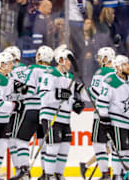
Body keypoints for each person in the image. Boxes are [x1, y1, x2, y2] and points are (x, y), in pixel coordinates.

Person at [96, 55, 129, 179]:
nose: (128, 66)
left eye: (128, 64)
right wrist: (104, 119)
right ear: (118, 67)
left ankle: (127, 174)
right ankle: (116, 175)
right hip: (116, 121)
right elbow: (102, 102)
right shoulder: (110, 80)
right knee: (119, 150)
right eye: (124, 64)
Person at [39, 48, 86, 179]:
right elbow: (43, 96)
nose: (70, 63)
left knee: (64, 149)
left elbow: (69, 98)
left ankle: (59, 175)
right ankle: (49, 175)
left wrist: (76, 104)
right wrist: (57, 94)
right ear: (60, 60)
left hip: (65, 117)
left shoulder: (70, 77)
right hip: (51, 116)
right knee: (53, 147)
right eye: (68, 60)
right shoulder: (50, 73)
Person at [11, 45, 54, 180]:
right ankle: (46, 173)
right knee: (44, 142)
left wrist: (19, 91)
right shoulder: (55, 72)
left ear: (39, 56)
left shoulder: (32, 69)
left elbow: (28, 90)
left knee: (21, 140)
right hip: (48, 111)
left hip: (32, 110)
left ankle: (23, 169)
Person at [79, 47, 116, 179]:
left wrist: (82, 92)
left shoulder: (101, 72)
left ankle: (105, 173)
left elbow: (93, 94)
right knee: (115, 145)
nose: (99, 61)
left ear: (106, 58)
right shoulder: (120, 72)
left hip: (101, 115)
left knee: (99, 144)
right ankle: (121, 172)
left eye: (100, 57)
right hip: (118, 116)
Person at [2, 46, 28, 176]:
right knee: (14, 139)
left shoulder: (14, 70)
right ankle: (21, 168)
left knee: (13, 139)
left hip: (16, 107)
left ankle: (20, 169)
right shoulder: (26, 69)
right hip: (18, 106)